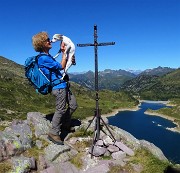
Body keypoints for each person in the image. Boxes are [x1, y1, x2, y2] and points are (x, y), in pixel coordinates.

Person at [32, 31, 78, 145]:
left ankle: (65, 124)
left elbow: (59, 69)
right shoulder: (43, 58)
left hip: (63, 85)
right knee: (60, 110)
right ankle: (54, 132)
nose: (49, 41)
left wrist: (69, 58)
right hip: (58, 87)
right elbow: (61, 66)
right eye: (47, 39)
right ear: (42, 43)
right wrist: (64, 53)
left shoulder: (48, 57)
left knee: (73, 105)